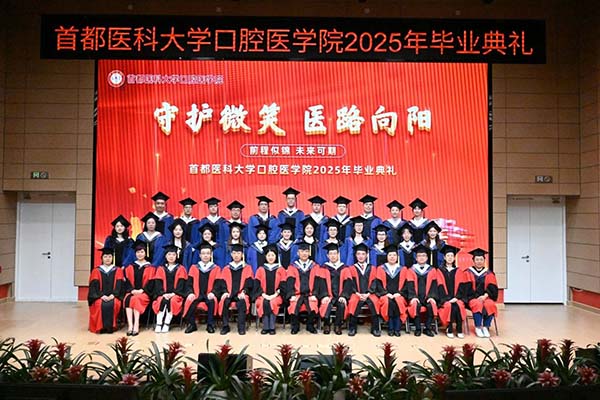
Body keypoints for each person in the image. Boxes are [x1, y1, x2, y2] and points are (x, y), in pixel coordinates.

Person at [341, 243, 381, 336]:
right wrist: (357, 293)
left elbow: (375, 282)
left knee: (375, 302)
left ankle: (375, 328)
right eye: (358, 254)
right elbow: (350, 283)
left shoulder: (373, 268)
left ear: (367, 255)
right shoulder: (351, 268)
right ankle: (352, 328)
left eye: (363, 254)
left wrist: (368, 293)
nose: (361, 256)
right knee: (353, 302)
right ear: (355, 255)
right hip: (356, 293)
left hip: (370, 293)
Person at [214, 244, 255, 335]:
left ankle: (241, 327)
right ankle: (225, 326)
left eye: (238, 253)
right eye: (234, 253)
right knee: (224, 301)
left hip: (241, 293)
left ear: (242, 255)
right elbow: (222, 282)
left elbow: (249, 283)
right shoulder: (226, 268)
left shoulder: (247, 268)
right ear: (231, 255)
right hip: (229, 293)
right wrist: (225, 292)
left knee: (242, 302)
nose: (236, 255)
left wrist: (244, 292)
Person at [182, 242, 220, 334]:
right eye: (203, 253)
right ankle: (192, 325)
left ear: (211, 255)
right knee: (190, 300)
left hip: (209, 293)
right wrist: (190, 293)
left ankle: (210, 324)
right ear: (199, 255)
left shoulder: (216, 268)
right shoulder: (194, 268)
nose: (205, 255)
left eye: (208, 253)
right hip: (196, 293)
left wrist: (213, 293)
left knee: (212, 301)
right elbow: (189, 283)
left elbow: (218, 284)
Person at [402, 244, 440, 337]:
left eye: (423, 255)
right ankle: (418, 328)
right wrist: (413, 297)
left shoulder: (432, 270)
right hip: (416, 296)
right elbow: (409, 285)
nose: (421, 258)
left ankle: (428, 328)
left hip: (428, 296)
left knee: (431, 305)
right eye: (419, 256)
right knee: (416, 305)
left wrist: (432, 297)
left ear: (427, 258)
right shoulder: (411, 270)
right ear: (416, 258)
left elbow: (434, 285)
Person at [152, 245, 187, 333]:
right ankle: (159, 323)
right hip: (163, 294)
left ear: (176, 256)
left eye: (173, 254)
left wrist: (173, 293)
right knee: (161, 300)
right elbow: (158, 284)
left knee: (172, 301)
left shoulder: (181, 268)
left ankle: (167, 323)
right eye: (169, 254)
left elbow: (181, 284)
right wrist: (163, 293)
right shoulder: (160, 268)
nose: (171, 257)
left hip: (176, 294)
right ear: (165, 256)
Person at [287, 242, 321, 334]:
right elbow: (290, 282)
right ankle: (295, 326)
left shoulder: (314, 266)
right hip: (297, 294)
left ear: (309, 253)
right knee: (293, 305)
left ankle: (310, 325)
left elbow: (317, 282)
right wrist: (291, 294)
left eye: (306, 251)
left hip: (310, 294)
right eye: (302, 251)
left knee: (313, 305)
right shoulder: (293, 266)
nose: (304, 253)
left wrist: (315, 294)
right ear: (298, 253)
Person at [88, 248, 124, 333]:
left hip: (114, 296)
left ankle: (111, 327)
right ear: (102, 258)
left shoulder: (118, 270)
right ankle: (100, 327)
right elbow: (93, 287)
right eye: (105, 256)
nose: (107, 259)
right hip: (99, 296)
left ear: (112, 258)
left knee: (114, 303)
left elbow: (120, 285)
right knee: (99, 304)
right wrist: (101, 296)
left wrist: (113, 295)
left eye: (109, 256)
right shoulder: (96, 271)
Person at [437, 245, 470, 339]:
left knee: (459, 305)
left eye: (452, 256)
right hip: (444, 299)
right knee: (449, 306)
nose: (450, 258)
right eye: (448, 256)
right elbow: (440, 286)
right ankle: (449, 328)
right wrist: (447, 298)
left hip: (457, 297)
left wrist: (457, 297)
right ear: (444, 257)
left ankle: (459, 329)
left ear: (454, 258)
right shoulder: (439, 271)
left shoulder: (459, 271)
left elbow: (462, 286)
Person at [123, 240, 155, 336]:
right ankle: (130, 325)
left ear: (145, 253)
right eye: (138, 252)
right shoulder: (130, 267)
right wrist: (132, 290)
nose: (140, 254)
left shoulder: (150, 267)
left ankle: (136, 324)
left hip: (144, 293)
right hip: (132, 292)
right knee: (127, 299)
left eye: (142, 252)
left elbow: (151, 282)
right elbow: (127, 281)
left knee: (136, 299)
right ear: (135, 253)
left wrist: (142, 290)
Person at [465, 248, 498, 338]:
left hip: (486, 297)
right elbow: (466, 289)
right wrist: (476, 297)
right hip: (472, 298)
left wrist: (485, 296)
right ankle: (478, 327)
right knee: (477, 304)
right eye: (477, 259)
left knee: (490, 304)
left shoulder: (489, 273)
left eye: (481, 259)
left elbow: (493, 288)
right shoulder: (467, 272)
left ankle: (486, 327)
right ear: (473, 260)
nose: (479, 261)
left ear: (484, 260)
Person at [375, 245, 407, 337]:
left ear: (397, 257)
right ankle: (391, 328)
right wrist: (386, 293)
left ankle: (397, 328)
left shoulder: (403, 269)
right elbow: (378, 284)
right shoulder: (381, 268)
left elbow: (406, 285)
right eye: (390, 255)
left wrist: (399, 293)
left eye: (394, 255)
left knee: (398, 301)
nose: (392, 257)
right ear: (387, 256)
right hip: (385, 295)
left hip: (399, 294)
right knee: (388, 302)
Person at [255, 245, 287, 334]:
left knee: (272, 302)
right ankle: (266, 327)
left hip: (277, 295)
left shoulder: (281, 269)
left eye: (273, 255)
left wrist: (275, 295)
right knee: (264, 302)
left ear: (276, 256)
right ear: (265, 256)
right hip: (262, 295)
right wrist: (263, 294)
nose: (270, 257)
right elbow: (257, 285)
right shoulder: (260, 269)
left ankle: (272, 327)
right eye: (268, 255)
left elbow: (283, 285)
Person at [318, 243, 347, 335]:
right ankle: (326, 324)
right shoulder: (323, 268)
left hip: (340, 295)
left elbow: (348, 283)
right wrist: (324, 295)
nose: (333, 256)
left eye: (335, 253)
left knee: (341, 305)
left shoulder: (344, 268)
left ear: (338, 254)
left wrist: (344, 296)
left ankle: (338, 325)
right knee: (326, 304)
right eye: (331, 254)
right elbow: (321, 284)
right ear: (327, 255)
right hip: (328, 295)